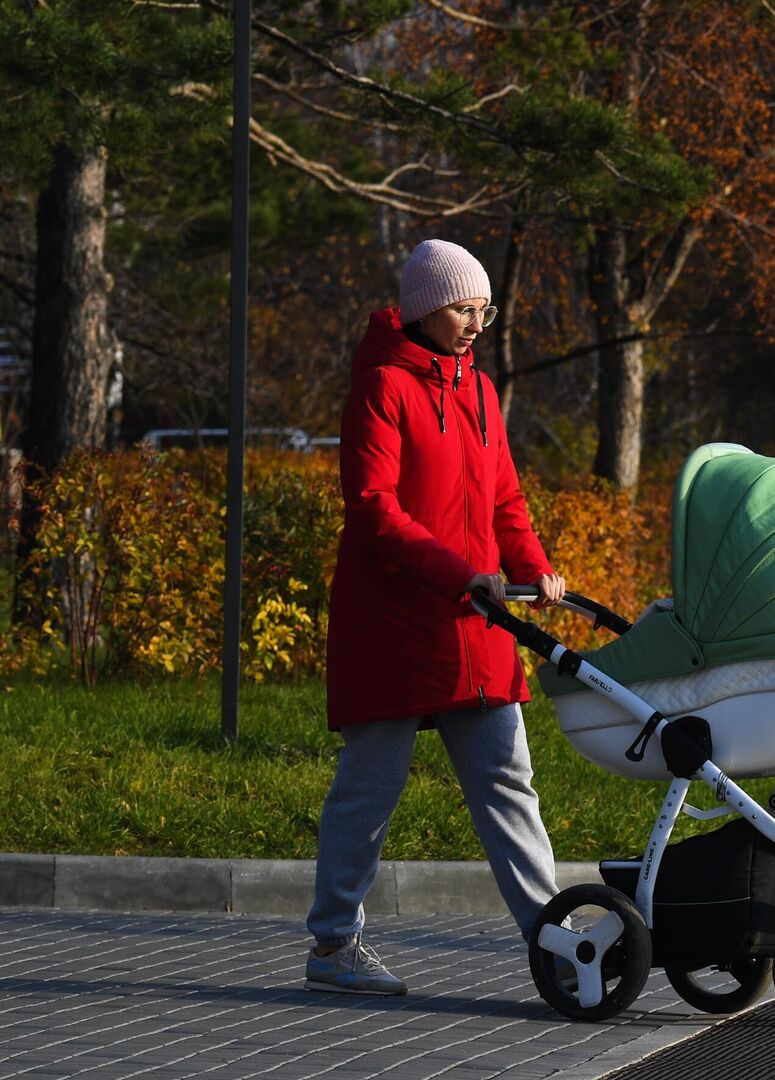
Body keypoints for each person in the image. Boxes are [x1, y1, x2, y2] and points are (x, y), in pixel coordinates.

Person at [306, 239, 567, 996]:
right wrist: (463, 576)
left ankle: (553, 940)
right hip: (394, 623)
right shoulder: (381, 388)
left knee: (508, 782)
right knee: (369, 788)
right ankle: (332, 946)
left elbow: (505, 501)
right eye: (462, 308)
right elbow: (374, 512)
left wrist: (532, 569)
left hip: (474, 623)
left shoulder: (482, 394)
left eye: (483, 309)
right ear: (424, 308)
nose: (475, 323)